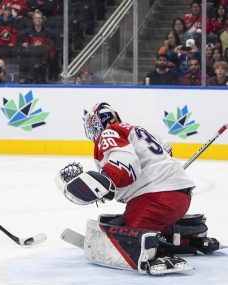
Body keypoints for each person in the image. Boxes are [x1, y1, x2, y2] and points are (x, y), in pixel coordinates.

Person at [55, 102, 221, 275]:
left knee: (127, 237)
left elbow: (126, 165)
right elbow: (167, 149)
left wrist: (105, 179)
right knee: (120, 222)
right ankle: (188, 238)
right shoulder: (136, 129)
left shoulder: (108, 133)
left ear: (97, 123)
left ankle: (152, 251)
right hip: (180, 197)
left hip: (156, 199)